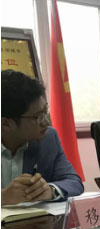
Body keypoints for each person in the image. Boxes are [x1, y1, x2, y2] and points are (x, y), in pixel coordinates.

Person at [1, 70, 83, 206]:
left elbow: (74, 182)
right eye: (37, 117)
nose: (46, 122)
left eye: (45, 112)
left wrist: (50, 190)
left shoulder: (48, 139)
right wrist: (3, 197)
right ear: (6, 124)